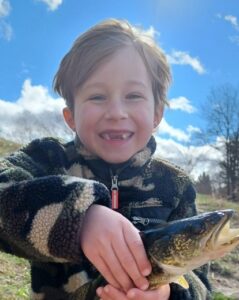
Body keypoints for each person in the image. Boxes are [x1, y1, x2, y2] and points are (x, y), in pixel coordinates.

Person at [0, 19, 212, 300]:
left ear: (157, 114)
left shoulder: (176, 186)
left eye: (133, 95)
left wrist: (167, 294)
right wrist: (79, 217)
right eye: (97, 96)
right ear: (71, 117)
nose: (116, 112)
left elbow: (202, 287)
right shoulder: (47, 160)